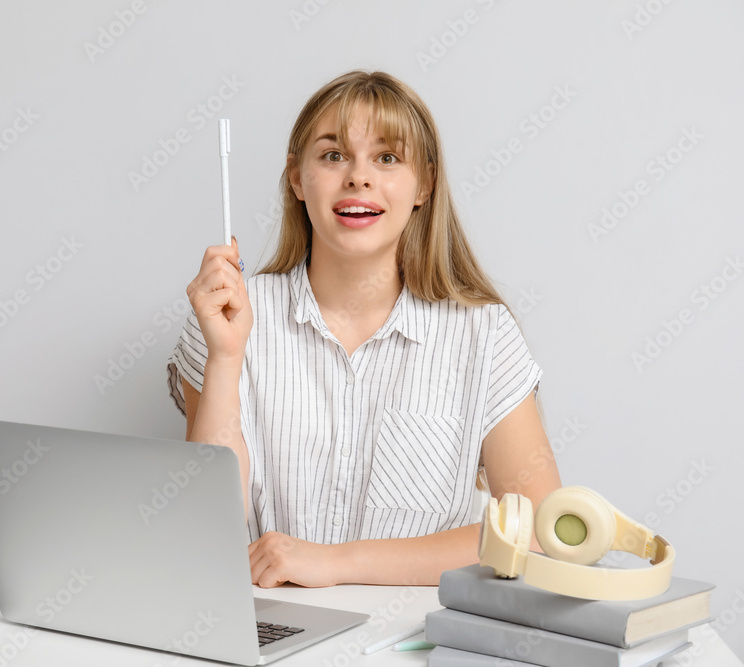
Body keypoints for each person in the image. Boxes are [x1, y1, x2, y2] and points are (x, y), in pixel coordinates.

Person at [166, 70, 561, 589]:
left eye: (388, 157)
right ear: (296, 178)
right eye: (333, 155)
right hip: (273, 629)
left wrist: (335, 563)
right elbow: (203, 534)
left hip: (416, 640)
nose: (358, 177)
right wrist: (224, 359)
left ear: (425, 185)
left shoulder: (482, 334)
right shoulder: (228, 318)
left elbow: (538, 534)